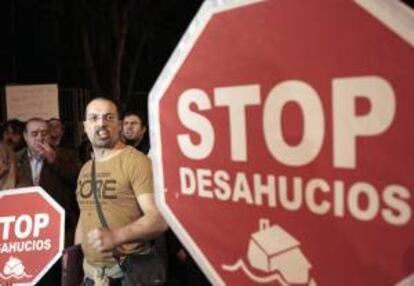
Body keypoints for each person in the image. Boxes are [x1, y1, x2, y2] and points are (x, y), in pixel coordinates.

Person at [75, 98, 167, 285]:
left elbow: (159, 219)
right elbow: (84, 216)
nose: (101, 123)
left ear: (118, 125)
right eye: (94, 118)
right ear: (85, 126)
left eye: (108, 117)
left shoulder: (136, 161)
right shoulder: (86, 168)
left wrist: (116, 236)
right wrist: (77, 257)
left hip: (126, 275)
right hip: (91, 276)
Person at [16, 117, 80, 285]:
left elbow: (78, 181)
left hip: (57, 231)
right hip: (25, 233)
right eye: (34, 133)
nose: (39, 138)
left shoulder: (66, 155)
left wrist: (54, 160)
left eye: (44, 133)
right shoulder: (15, 160)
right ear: (25, 136)